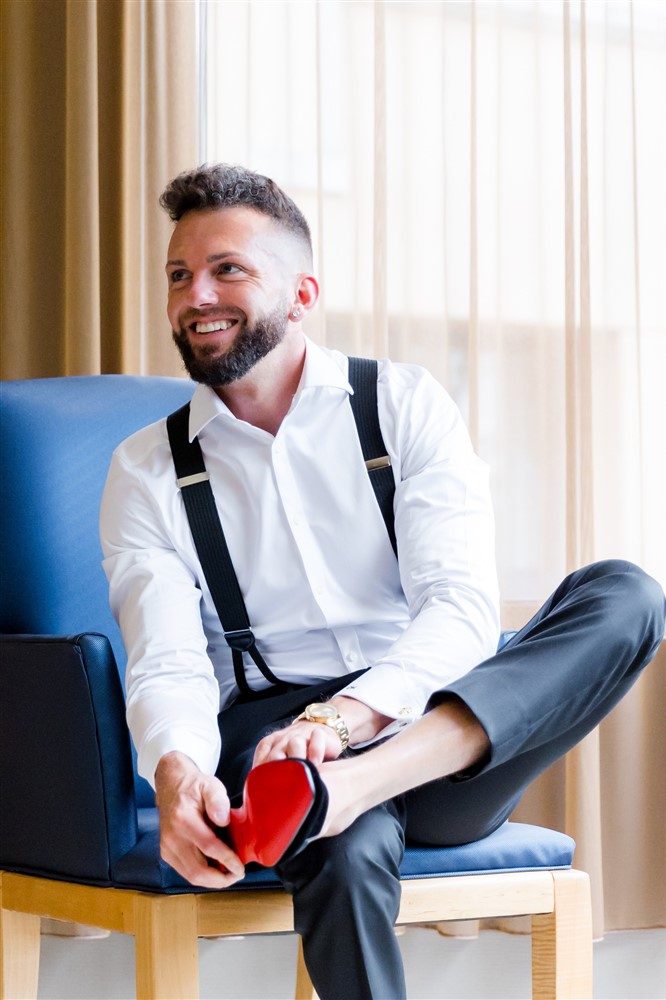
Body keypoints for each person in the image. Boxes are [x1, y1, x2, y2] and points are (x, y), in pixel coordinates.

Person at [100, 163, 665, 1000]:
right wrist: (180, 774)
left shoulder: (401, 404)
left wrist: (351, 725)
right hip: (271, 739)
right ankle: (336, 801)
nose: (196, 294)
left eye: (228, 269)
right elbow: (167, 660)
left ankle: (353, 787)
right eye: (180, 274)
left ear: (302, 293)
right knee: (342, 841)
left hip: (436, 730)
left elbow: (463, 609)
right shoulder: (146, 468)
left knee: (626, 594)